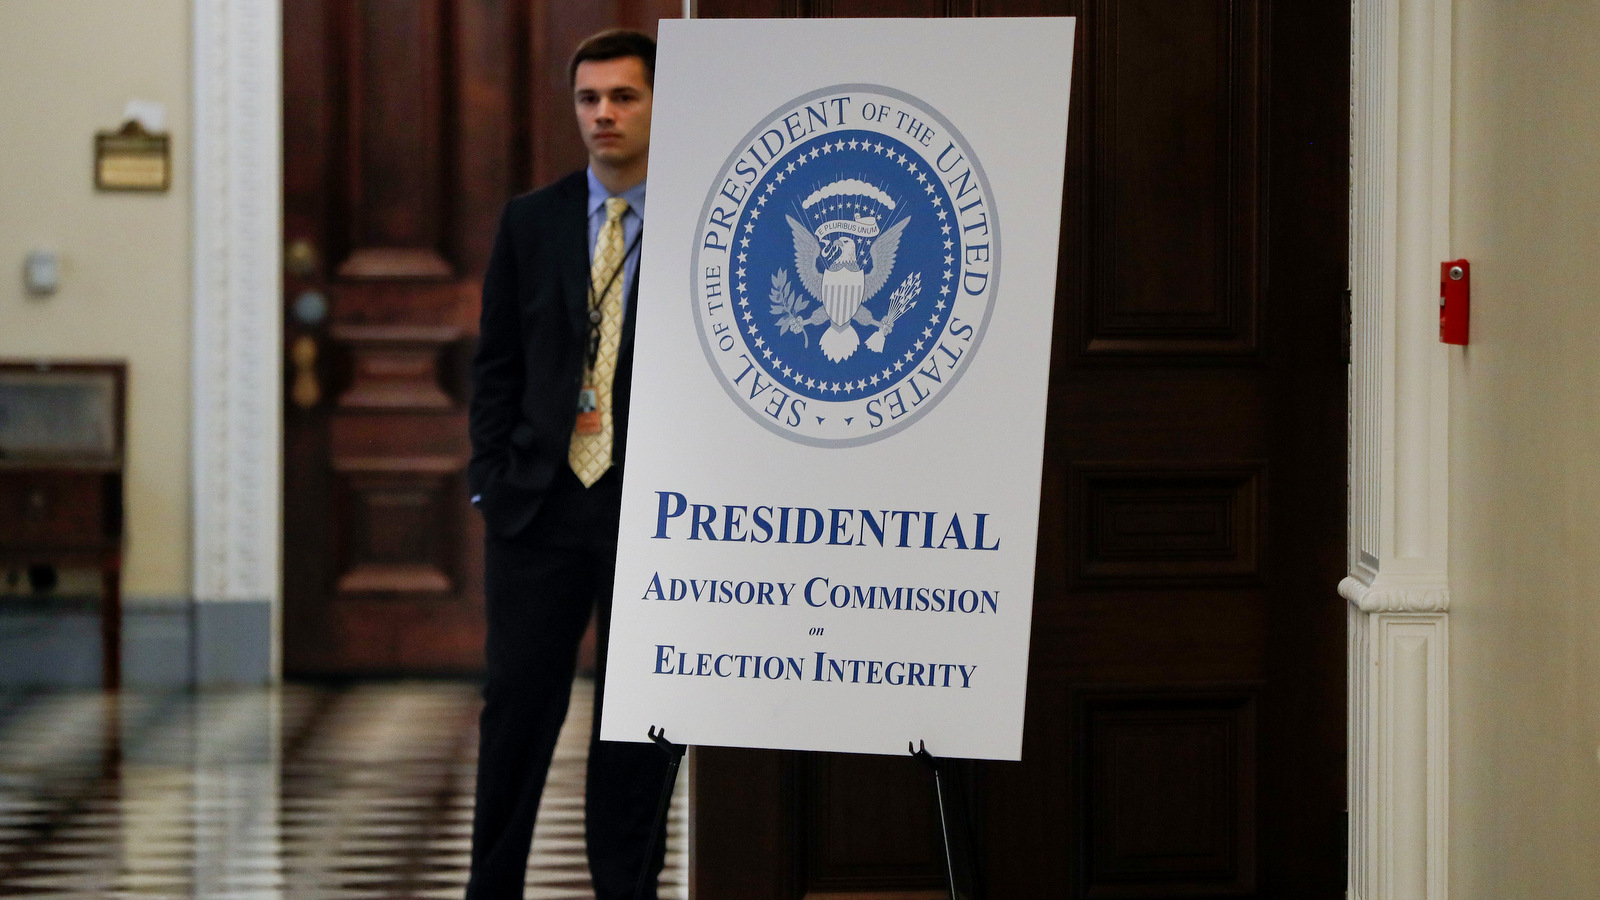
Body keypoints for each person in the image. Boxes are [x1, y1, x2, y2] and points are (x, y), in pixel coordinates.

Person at [464, 28, 667, 900]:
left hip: (648, 505)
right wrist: (490, 479)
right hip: (539, 502)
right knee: (517, 705)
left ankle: (626, 888)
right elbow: (496, 363)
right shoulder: (532, 220)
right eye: (589, 98)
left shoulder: (705, 222)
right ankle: (491, 887)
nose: (603, 114)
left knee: (637, 716)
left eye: (623, 96)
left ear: (658, 105)